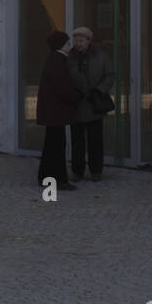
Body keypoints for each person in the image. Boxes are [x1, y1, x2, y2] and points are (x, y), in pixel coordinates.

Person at [68, 26, 114, 181]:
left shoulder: (101, 56)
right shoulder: (69, 57)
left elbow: (109, 76)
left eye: (81, 40)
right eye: (76, 40)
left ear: (89, 41)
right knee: (77, 142)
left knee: (95, 141)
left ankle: (96, 171)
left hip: (94, 104)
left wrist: (99, 90)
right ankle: (77, 171)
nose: (78, 43)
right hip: (77, 104)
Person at [35, 30, 80, 191]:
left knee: (51, 145)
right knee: (57, 146)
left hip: (52, 110)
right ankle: (58, 180)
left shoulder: (55, 59)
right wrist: (76, 96)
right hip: (55, 110)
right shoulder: (58, 60)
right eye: (67, 43)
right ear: (61, 45)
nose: (70, 46)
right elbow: (62, 87)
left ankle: (46, 177)